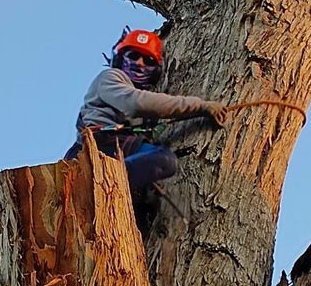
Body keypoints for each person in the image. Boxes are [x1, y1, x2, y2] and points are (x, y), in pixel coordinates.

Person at [64, 29, 227, 191]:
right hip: (99, 143)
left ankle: (114, 185)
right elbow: (137, 103)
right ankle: (110, 182)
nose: (140, 63)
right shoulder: (111, 78)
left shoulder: (140, 116)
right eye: (134, 56)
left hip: (116, 147)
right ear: (121, 59)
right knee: (163, 159)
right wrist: (201, 105)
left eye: (148, 60)